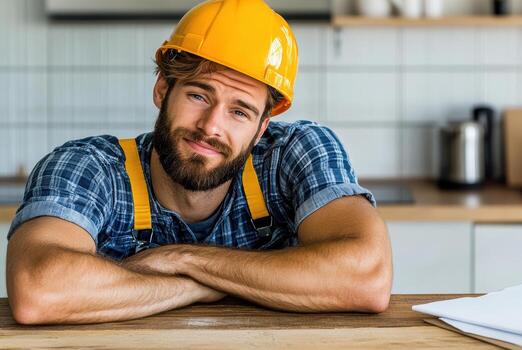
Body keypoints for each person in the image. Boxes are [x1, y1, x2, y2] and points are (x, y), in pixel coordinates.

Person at [6, 0, 392, 325]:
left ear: (261, 129)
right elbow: (38, 288)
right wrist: (204, 285)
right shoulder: (86, 166)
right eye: (199, 96)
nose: (211, 127)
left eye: (239, 112)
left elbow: (367, 277)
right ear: (162, 89)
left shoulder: (298, 151)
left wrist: (181, 259)